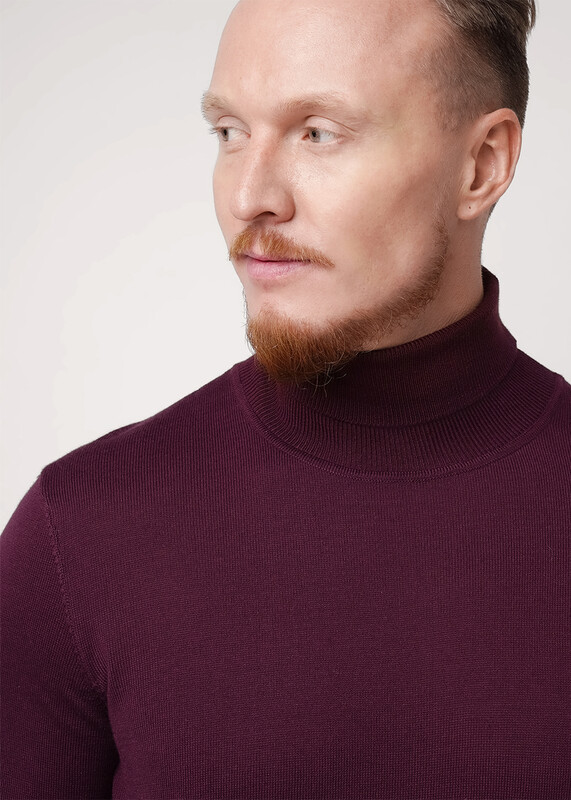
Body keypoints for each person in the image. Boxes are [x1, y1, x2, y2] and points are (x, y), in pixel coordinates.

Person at [2, 0, 569, 797]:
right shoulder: (80, 532)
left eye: (317, 133)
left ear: (481, 165)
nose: (250, 197)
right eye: (229, 132)